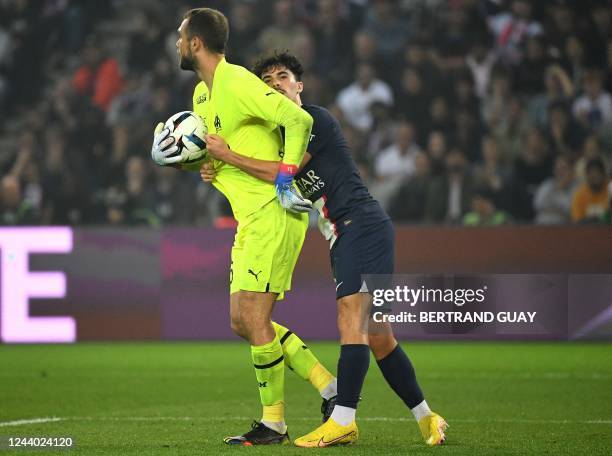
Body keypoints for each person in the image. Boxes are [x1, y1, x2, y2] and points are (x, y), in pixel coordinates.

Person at [200, 51, 447, 448]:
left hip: (360, 225)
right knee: (378, 334)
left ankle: (343, 417)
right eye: (267, 80)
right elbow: (267, 183)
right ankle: (427, 416)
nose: (275, 83)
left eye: (283, 76)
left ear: (299, 86)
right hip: (346, 233)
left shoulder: (311, 120)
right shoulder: (278, 138)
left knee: (351, 318)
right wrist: (218, 170)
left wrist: (227, 155)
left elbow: (284, 173)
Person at [149, 8, 338, 446]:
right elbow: (221, 149)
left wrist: (287, 175)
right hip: (249, 218)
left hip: (272, 211)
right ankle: (330, 389)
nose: (177, 43)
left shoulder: (237, 83)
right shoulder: (201, 97)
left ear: (196, 43)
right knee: (244, 320)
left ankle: (274, 423)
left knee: (252, 317)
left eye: (181, 36)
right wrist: (201, 163)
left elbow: (300, 120)